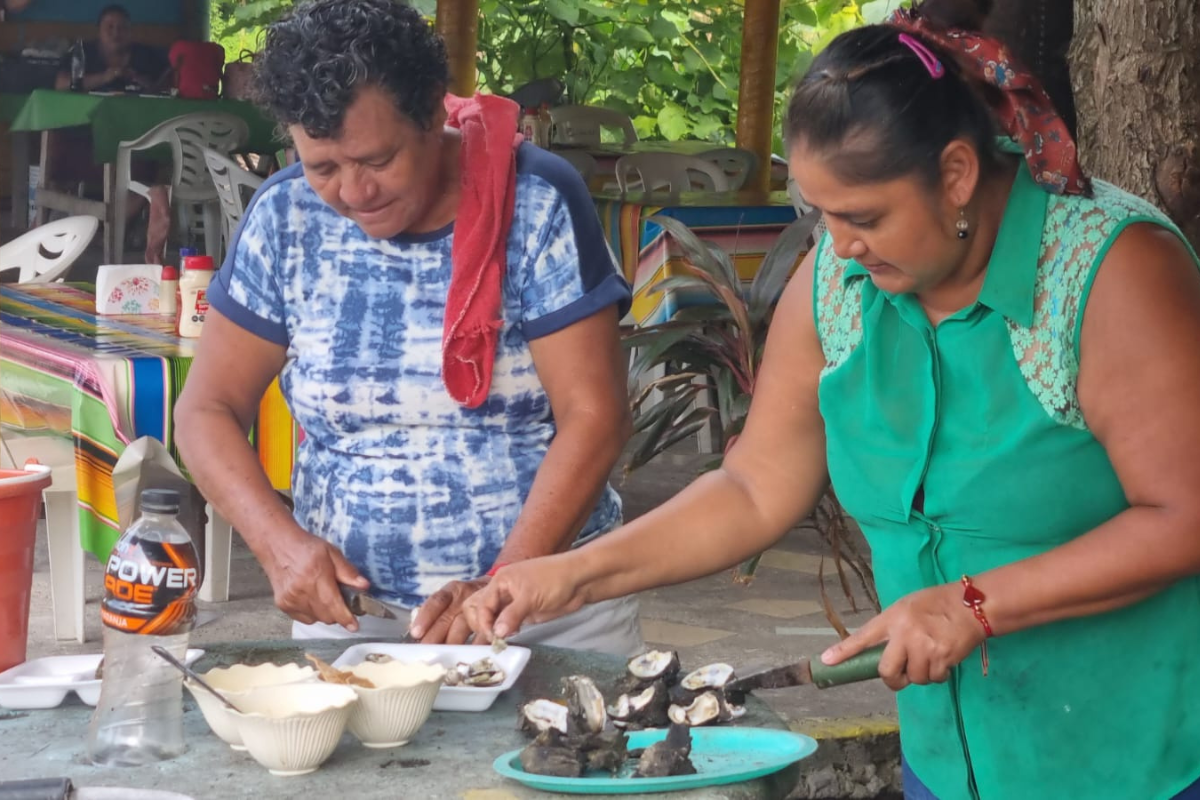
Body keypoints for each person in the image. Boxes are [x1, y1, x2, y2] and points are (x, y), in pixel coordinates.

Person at [463, 1, 1200, 797]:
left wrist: (972, 605)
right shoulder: (839, 283)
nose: (839, 245)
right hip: (952, 760)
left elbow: (1183, 512)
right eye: (820, 215)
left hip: (1138, 754)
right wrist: (568, 575)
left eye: (864, 217)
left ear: (955, 173)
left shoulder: (1110, 271)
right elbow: (752, 490)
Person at [173, 0, 642, 657]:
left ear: (431, 113)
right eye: (323, 167)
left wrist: (503, 583)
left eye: (377, 158)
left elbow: (595, 415)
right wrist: (278, 544)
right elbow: (206, 409)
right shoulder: (285, 217)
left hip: (545, 609)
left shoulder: (535, 201)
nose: (354, 191)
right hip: (350, 621)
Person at [54, 5, 170, 93]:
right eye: (109, 27)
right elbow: (61, 84)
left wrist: (137, 79)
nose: (116, 33)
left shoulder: (145, 54)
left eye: (123, 27)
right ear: (99, 30)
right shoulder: (83, 51)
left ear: (131, 32)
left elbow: (168, 85)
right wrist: (104, 77)